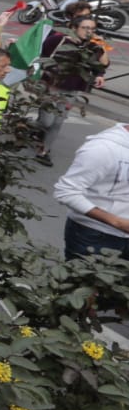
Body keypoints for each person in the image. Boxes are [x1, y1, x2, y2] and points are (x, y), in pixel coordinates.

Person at [35, 16, 108, 165]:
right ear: (74, 28)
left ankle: (45, 151)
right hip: (51, 86)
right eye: (85, 28)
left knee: (58, 121)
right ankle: (33, 129)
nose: (89, 31)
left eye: (92, 29)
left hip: (72, 88)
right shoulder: (58, 40)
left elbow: (103, 64)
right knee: (47, 121)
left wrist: (102, 47)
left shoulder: (92, 46)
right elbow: (41, 54)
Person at [55, 122, 129, 270]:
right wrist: (118, 222)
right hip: (95, 236)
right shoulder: (102, 148)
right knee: (82, 284)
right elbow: (66, 191)